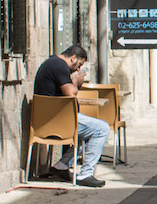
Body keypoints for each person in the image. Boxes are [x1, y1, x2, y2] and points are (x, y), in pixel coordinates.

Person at [33, 45, 109, 188]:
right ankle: (86, 174)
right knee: (102, 129)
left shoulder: (50, 63)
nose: (78, 69)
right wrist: (76, 82)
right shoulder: (60, 66)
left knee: (89, 130)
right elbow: (71, 94)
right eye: (79, 65)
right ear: (73, 58)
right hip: (60, 121)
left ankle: (61, 166)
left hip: (46, 121)